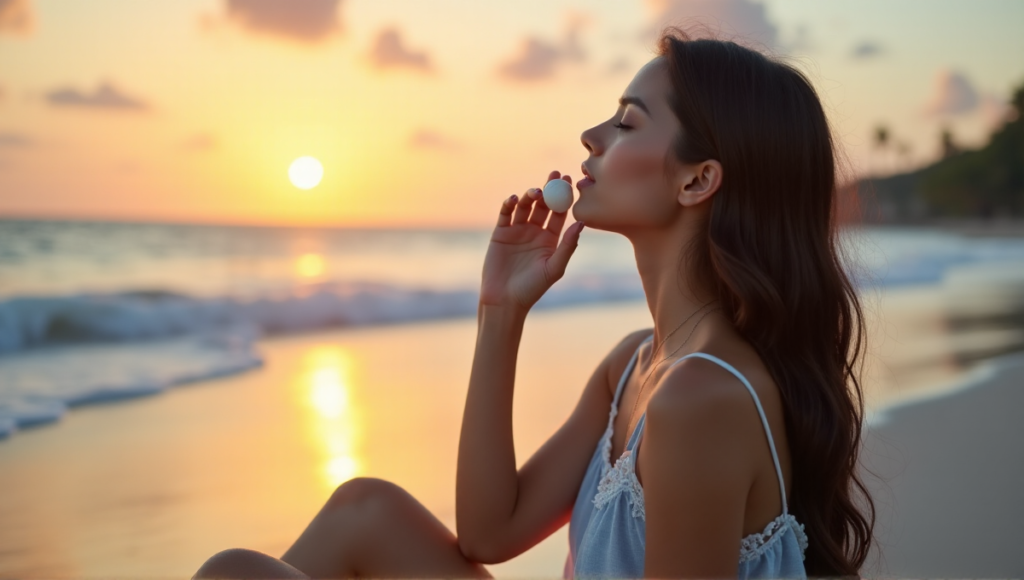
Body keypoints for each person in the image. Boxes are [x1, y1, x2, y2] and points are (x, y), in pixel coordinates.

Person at [193, 27, 874, 579]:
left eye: (627, 123)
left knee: (233, 574)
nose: (591, 137)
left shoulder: (701, 399)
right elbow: (489, 533)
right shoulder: (635, 365)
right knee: (364, 510)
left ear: (697, 181)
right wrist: (501, 313)